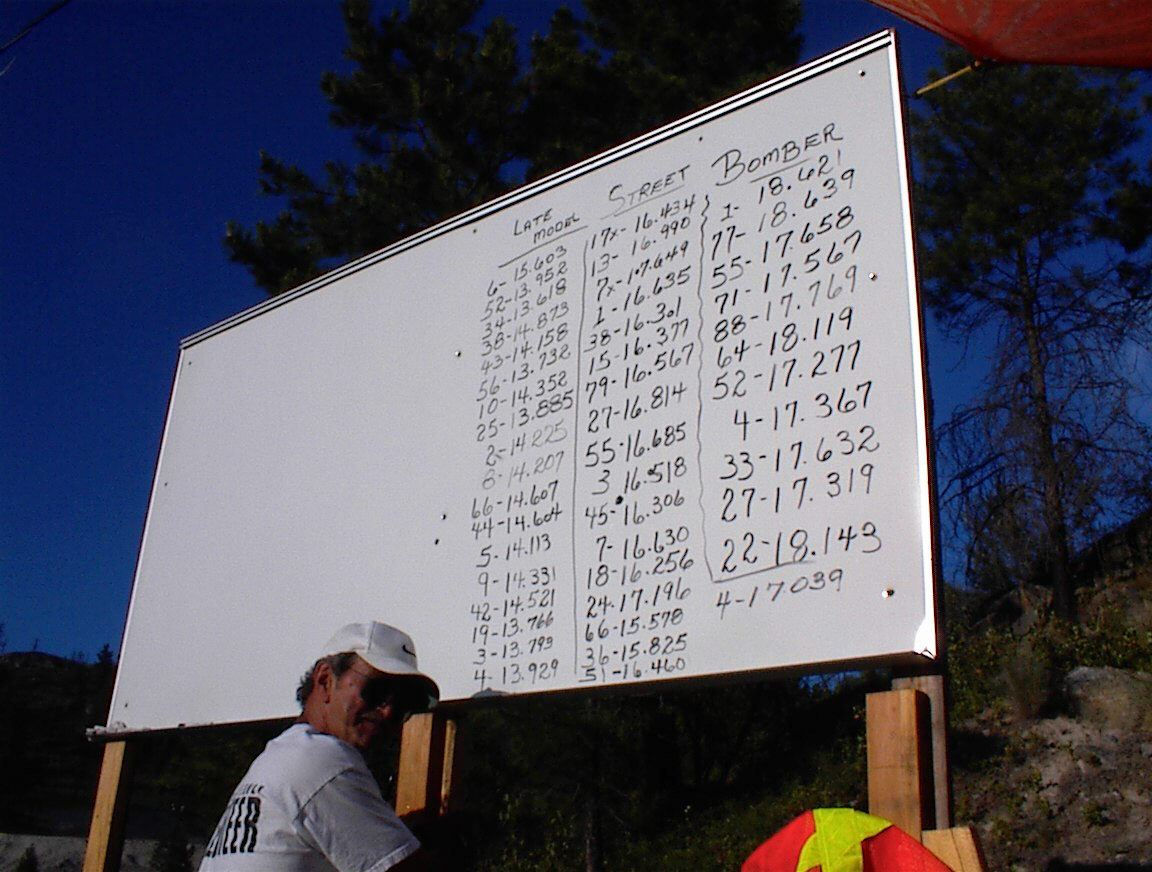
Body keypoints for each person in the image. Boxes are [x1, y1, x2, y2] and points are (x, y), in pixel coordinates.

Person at [199, 621, 442, 871]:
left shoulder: (277, 758)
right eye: (376, 691)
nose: (389, 711)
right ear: (325, 679)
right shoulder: (324, 760)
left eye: (404, 703)